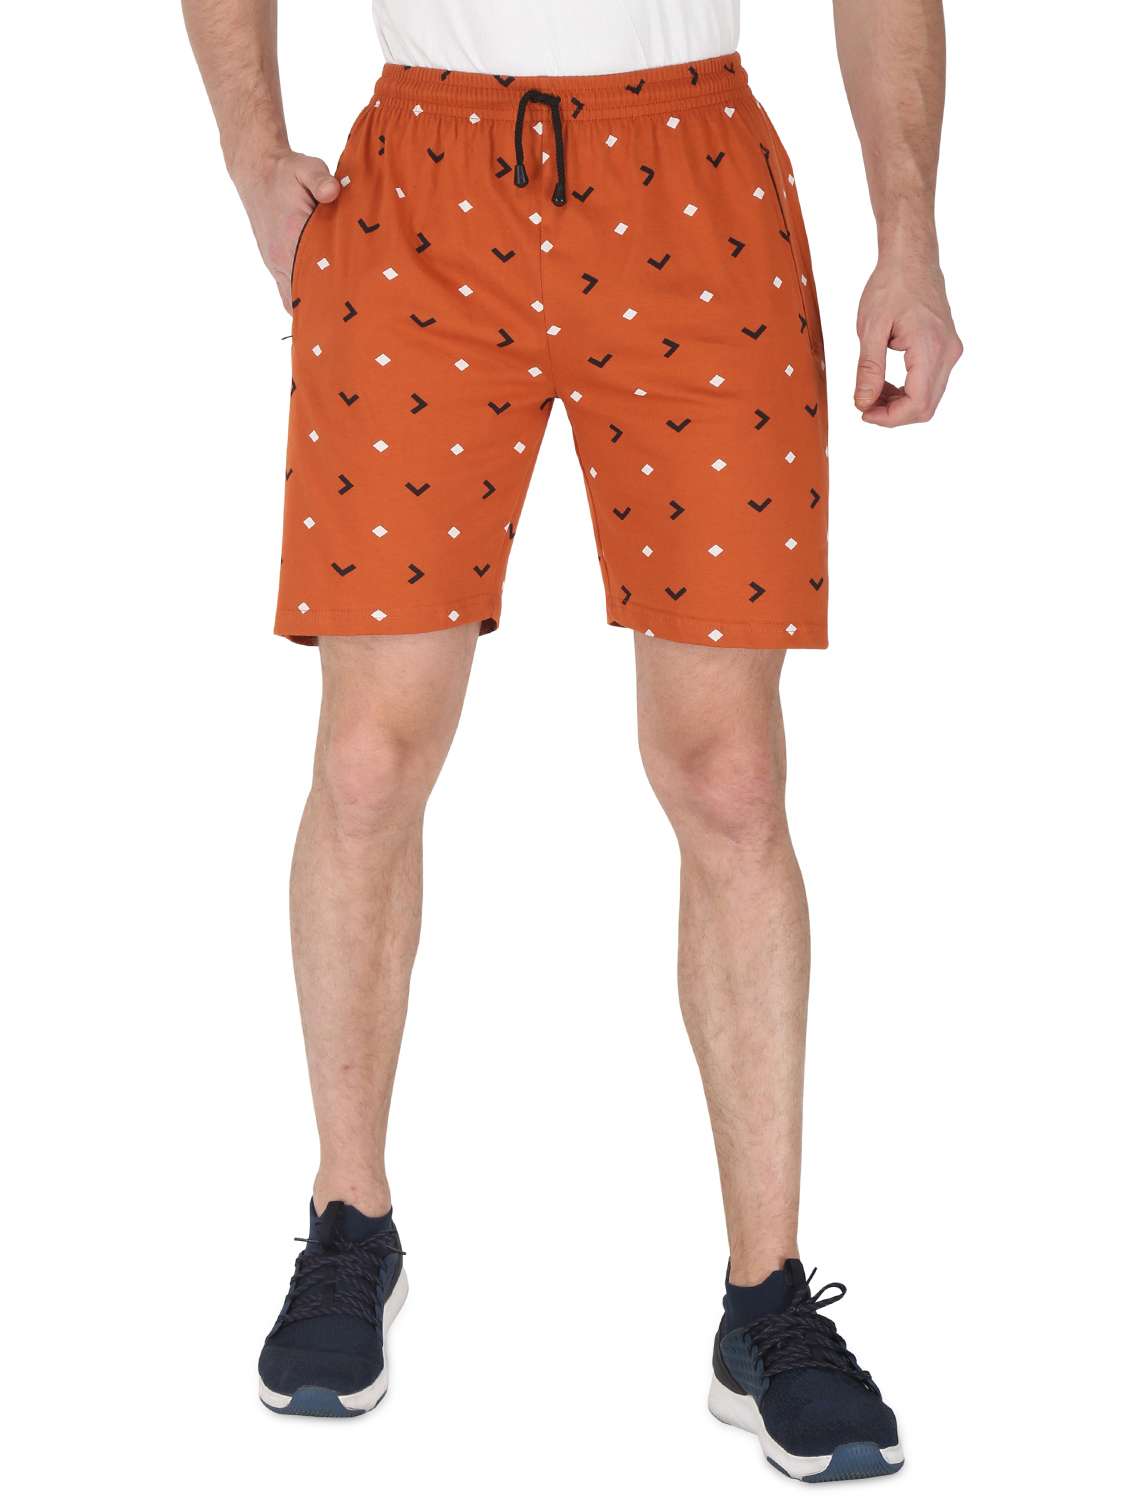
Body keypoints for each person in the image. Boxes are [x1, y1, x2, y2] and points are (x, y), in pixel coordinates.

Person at [183, 0, 960, 1477]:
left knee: (730, 779)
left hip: (697, 185)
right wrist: (248, 147)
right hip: (416, 193)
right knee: (367, 762)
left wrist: (908, 236)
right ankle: (349, 1221)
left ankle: (766, 1301)